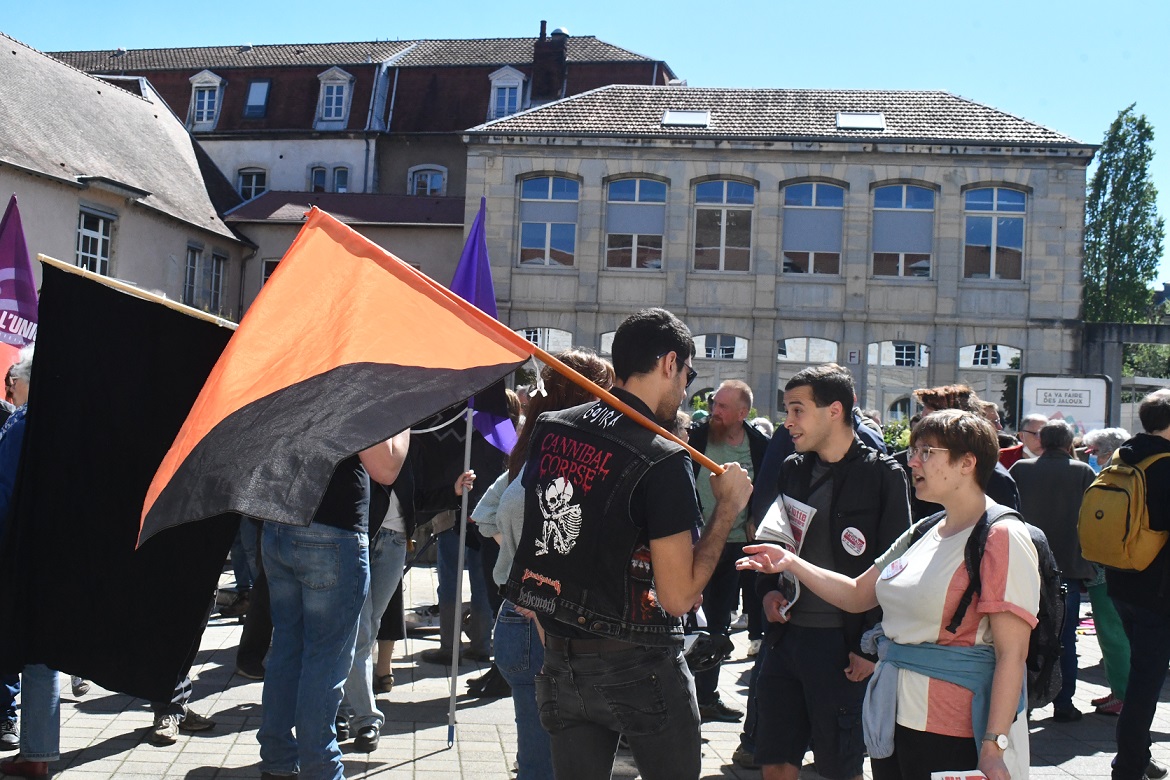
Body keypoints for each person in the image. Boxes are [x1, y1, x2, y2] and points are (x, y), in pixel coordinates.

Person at [504, 308, 753, 780]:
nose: (686, 388)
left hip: (561, 657)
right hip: (638, 667)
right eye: (688, 375)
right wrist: (727, 509)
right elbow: (678, 596)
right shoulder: (662, 457)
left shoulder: (554, 427)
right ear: (669, 363)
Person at [739, 408, 1039, 780]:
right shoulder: (924, 530)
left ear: (968, 463)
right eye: (914, 450)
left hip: (955, 725)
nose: (912, 460)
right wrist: (790, 562)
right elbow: (856, 594)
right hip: (891, 718)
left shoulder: (1002, 536)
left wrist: (994, 746)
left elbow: (1013, 654)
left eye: (927, 452)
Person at [748, 363, 910, 780]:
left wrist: (869, 645)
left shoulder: (883, 475)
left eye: (798, 410)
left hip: (843, 649)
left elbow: (896, 570)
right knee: (775, 761)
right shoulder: (791, 469)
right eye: (787, 410)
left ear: (834, 410)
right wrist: (767, 591)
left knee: (840, 767)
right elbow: (776, 542)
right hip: (785, 640)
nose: (788, 423)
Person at [475, 348, 615, 779]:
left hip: (526, 622)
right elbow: (487, 518)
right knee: (547, 766)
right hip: (545, 626)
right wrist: (528, 568)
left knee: (543, 762)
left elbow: (485, 517)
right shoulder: (561, 460)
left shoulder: (532, 451)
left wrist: (518, 557)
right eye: (606, 395)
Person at [256, 430, 409, 780]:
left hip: (279, 521)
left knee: (287, 649)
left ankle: (278, 760)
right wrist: (403, 420)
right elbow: (386, 468)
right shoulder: (350, 375)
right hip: (331, 529)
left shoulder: (283, 374)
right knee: (323, 661)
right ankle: (320, 769)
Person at [688, 380, 769, 722]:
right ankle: (683, 698)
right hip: (693, 544)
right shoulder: (695, 439)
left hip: (734, 546)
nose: (714, 412)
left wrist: (755, 517)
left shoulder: (759, 446)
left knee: (719, 622)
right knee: (684, 620)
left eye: (722, 407)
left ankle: (706, 697)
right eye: (714, 403)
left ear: (742, 413)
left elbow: (767, 488)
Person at [1009, 419, 1096, 722]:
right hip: (1067, 569)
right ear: (1068, 441)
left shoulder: (1020, 469)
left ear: (1042, 441)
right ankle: (1063, 702)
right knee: (1064, 638)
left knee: (1022, 636)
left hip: (1025, 563)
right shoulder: (1083, 472)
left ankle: (1026, 702)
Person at [1106, 390, 1170, 780]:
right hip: (1158, 590)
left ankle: (1138, 755)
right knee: (1146, 684)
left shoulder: (1124, 456)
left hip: (1121, 580)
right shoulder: (1165, 465)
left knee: (1140, 675)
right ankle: (1127, 766)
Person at [337, 446, 418, 753]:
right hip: (361, 537)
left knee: (369, 626)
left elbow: (416, 496)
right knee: (360, 631)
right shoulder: (369, 434)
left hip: (396, 542)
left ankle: (341, 710)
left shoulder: (408, 445)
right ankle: (366, 719)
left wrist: (453, 491)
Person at [1079, 427, 1132, 716]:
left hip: (1107, 568)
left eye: (1094, 451)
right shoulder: (1128, 474)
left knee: (1112, 633)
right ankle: (1119, 690)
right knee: (1113, 633)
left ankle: (1123, 694)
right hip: (1119, 566)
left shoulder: (1113, 478)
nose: (1092, 457)